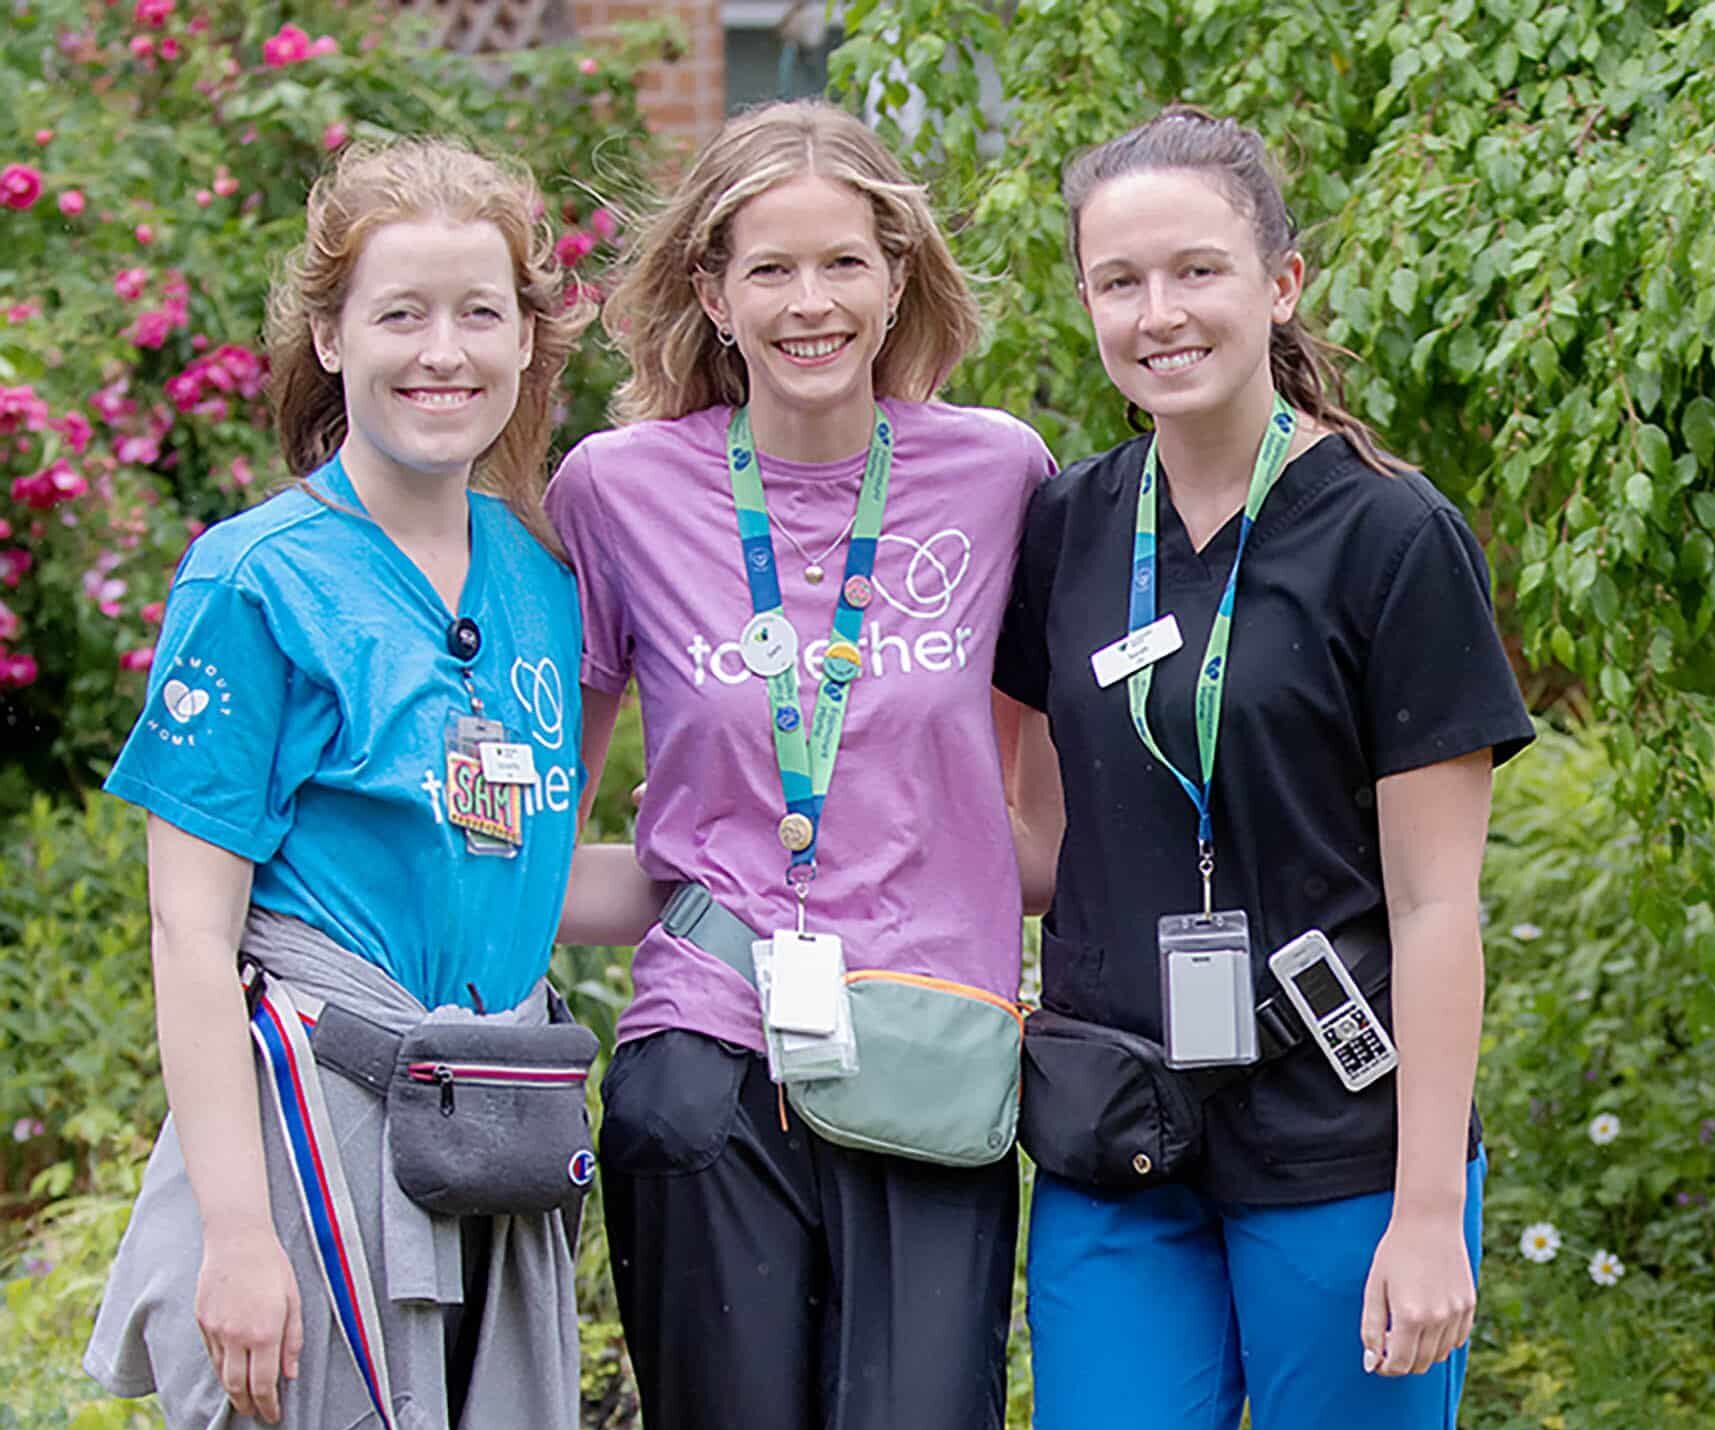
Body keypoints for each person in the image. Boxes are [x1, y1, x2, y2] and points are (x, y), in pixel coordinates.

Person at [995, 106, 1536, 1430]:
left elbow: (1434, 904)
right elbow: (1032, 831)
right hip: (1117, 1139)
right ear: (1087, 300)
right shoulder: (1067, 523)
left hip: (1342, 1145)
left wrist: (1424, 1212)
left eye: (1196, 270)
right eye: (1120, 281)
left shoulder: (1391, 534)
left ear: (1280, 285)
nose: (1158, 312)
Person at [83, 137, 629, 1429]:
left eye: (479, 312)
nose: (443, 349)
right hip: (316, 1142)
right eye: (401, 313)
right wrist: (236, 1230)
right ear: (331, 337)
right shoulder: (255, 579)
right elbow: (191, 928)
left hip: (489, 1132)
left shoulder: (543, 584)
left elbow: (522, 873)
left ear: (525, 342)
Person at [544, 99, 1057, 1430]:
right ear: (711, 291)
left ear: (898, 277)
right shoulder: (616, 490)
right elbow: (551, 812)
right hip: (703, 1056)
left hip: (931, 1062)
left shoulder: (1000, 476)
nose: (808, 301)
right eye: (770, 267)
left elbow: (1033, 822)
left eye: (842, 262)